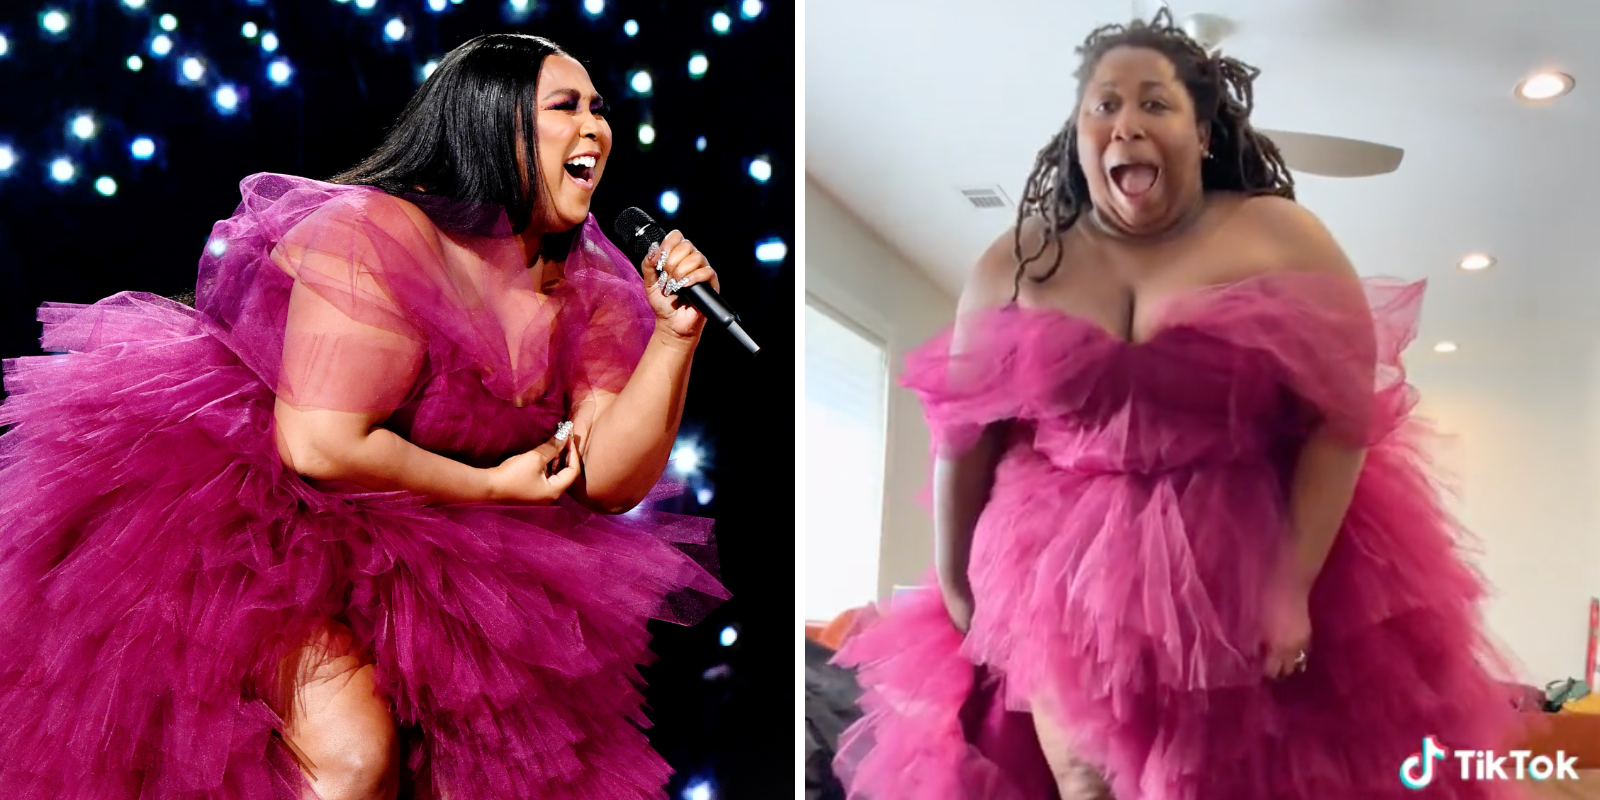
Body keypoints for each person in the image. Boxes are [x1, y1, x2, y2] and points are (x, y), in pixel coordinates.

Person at [0, 33, 728, 800]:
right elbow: (318, 444)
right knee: (352, 758)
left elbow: (609, 482)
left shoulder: (591, 289)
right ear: (492, 121)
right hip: (254, 523)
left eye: (599, 110)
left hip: (435, 555)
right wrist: (493, 488)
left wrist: (675, 340)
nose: (594, 127)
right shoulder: (380, 234)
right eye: (566, 107)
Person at [832, 11, 1529, 799]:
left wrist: (1291, 585)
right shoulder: (1019, 260)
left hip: (1227, 556)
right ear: (1078, 135)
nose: (1126, 123)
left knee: (1196, 785)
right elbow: (963, 436)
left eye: (1155, 104)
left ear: (1201, 133)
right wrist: (957, 580)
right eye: (1103, 106)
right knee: (1084, 783)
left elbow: (1343, 420)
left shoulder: (1282, 237)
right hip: (1054, 576)